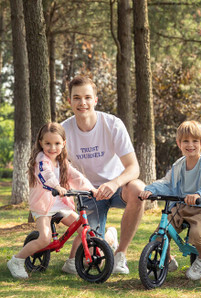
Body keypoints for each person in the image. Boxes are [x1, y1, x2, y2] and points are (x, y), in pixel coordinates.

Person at [61, 75, 145, 274]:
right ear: (69, 101)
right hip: (89, 194)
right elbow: (61, 168)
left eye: (88, 97)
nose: (83, 103)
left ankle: (120, 256)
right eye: (77, 98)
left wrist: (114, 184)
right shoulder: (64, 130)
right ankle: (108, 239)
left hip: (118, 188)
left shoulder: (112, 124)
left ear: (95, 100)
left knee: (139, 189)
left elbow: (133, 167)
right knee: (89, 261)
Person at [7, 122, 97, 279]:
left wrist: (91, 189)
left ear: (63, 143)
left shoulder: (62, 162)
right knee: (44, 238)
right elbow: (45, 175)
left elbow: (75, 176)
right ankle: (16, 260)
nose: (52, 148)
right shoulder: (41, 160)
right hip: (43, 205)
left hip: (60, 204)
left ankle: (71, 263)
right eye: (48, 143)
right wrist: (57, 186)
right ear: (40, 142)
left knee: (83, 228)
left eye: (57, 143)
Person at [139, 120, 201, 280]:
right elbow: (167, 182)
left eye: (195, 141)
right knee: (160, 233)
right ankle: (167, 259)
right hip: (181, 206)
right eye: (185, 141)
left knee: (197, 234)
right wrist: (150, 189)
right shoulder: (178, 165)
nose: (190, 145)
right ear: (179, 143)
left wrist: (200, 194)